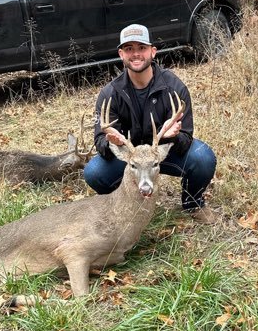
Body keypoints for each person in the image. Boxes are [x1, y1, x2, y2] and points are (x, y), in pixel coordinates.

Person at [84, 24, 217, 224]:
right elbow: (100, 142)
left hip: (163, 153)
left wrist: (173, 135)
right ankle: (128, 204)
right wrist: (112, 141)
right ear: (121, 54)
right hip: (131, 159)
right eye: (129, 49)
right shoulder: (109, 94)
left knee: (203, 157)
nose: (136, 54)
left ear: (152, 52)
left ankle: (193, 203)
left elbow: (186, 138)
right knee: (94, 172)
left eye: (142, 48)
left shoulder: (174, 88)